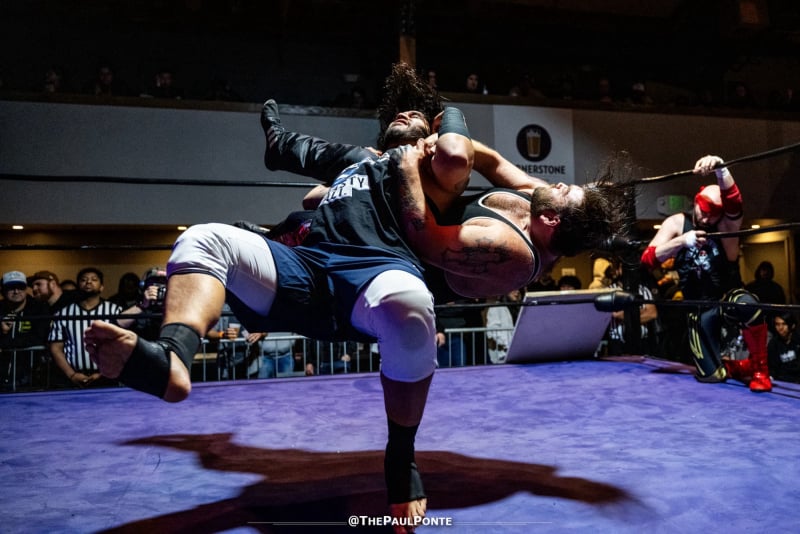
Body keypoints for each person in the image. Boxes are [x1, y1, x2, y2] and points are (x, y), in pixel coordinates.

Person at [85, 68, 625, 530]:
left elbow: (452, 167)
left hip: (378, 275)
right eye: (401, 116)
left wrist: (426, 147)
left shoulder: (435, 177)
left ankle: (400, 458)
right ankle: (173, 358)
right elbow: (303, 168)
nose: (407, 118)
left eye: (418, 117)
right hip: (307, 272)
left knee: (411, 304)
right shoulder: (362, 161)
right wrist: (298, 155)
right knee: (204, 237)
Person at [641, 155, 771, 392]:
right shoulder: (677, 223)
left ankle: (760, 370)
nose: (708, 217)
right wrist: (681, 241)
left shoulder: (725, 226)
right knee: (712, 376)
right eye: (706, 209)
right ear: (696, 201)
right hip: (698, 308)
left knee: (748, 304)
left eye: (715, 212)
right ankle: (735, 367)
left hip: (725, 300)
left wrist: (721, 168)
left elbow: (734, 203)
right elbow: (648, 259)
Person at [48, 267, 121, 389]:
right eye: (83, 280)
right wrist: (72, 375)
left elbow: (121, 345)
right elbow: (56, 348)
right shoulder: (63, 313)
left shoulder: (114, 311)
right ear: (78, 286)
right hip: (73, 378)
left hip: (107, 377)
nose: (88, 282)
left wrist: (103, 373)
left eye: (94, 279)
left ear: (102, 287)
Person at [1, 271, 50, 389]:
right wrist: (3, 332)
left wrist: (6, 343)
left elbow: (39, 338)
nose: (16, 291)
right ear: (3, 290)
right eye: (11, 288)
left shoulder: (39, 309)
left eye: (20, 287)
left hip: (31, 376)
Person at [605, 260, 658, 356]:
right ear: (617, 270)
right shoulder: (609, 291)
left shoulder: (643, 290)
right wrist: (641, 311)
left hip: (641, 341)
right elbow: (615, 313)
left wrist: (626, 314)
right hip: (617, 343)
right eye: (624, 267)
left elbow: (652, 313)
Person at [117, 267, 168, 341]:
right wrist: (143, 305)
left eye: (164, 284)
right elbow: (118, 324)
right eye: (155, 284)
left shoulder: (176, 308)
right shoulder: (138, 306)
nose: (159, 288)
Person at [484, 288, 522, 364]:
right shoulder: (497, 307)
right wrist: (506, 346)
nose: (517, 291)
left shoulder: (516, 307)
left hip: (515, 352)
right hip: (502, 353)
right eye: (513, 289)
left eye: (518, 289)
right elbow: (492, 330)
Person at [768, 312, 800, 383]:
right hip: (781, 381)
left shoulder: (798, 341)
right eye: (777, 324)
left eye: (784, 324)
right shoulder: (773, 343)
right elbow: (772, 368)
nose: (780, 328)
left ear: (792, 325)